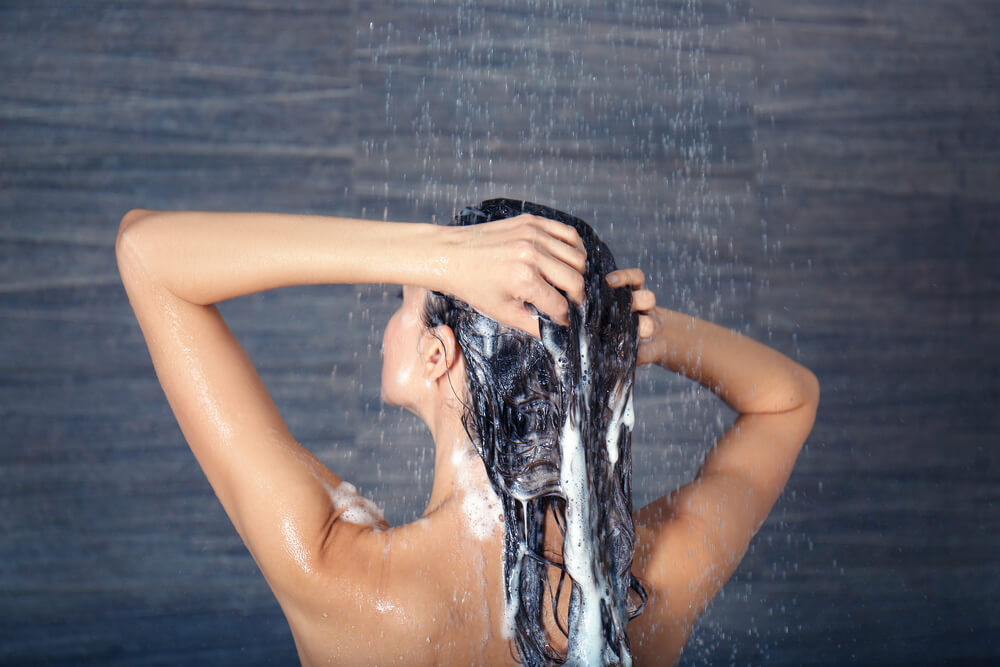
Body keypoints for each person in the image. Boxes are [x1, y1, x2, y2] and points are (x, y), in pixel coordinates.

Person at [115, 198, 819, 666]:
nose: (394, 316)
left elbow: (147, 250)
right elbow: (787, 399)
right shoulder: (648, 584)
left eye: (405, 298)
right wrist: (646, 338)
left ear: (437, 352)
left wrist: (435, 255)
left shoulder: (336, 575)